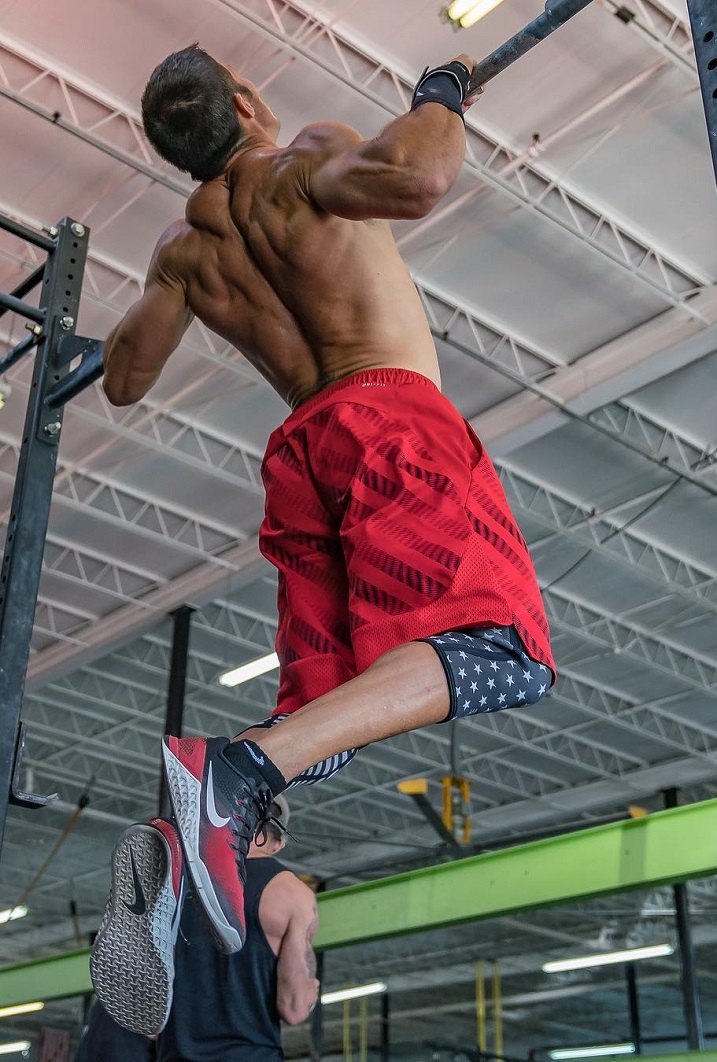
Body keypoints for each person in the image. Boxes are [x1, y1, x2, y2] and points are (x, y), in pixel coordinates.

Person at [98, 42, 555, 1017]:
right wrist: (443, 92)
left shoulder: (184, 254)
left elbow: (127, 380)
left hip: (301, 458)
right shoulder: (300, 161)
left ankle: (195, 838)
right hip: (387, 416)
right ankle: (232, 773)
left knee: (336, 708)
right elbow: (420, 172)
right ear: (247, 102)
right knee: (503, 649)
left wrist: (154, 292)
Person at [90, 801, 319, 1054]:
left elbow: (148, 1024)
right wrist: (311, 990)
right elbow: (293, 1008)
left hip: (176, 1054)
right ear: (277, 845)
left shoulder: (174, 881)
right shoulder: (292, 894)